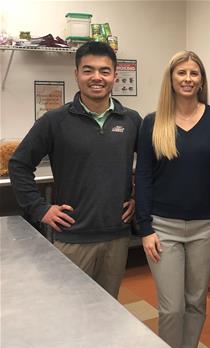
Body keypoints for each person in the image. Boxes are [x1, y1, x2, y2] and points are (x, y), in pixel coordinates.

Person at [8, 41, 141, 299]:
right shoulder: (54, 121)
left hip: (117, 236)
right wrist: (40, 208)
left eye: (104, 71)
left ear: (115, 75)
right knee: (69, 312)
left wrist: (137, 198)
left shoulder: (131, 120)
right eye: (88, 70)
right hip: (73, 237)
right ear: (76, 74)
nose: (96, 78)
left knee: (108, 310)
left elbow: (147, 168)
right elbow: (19, 164)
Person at [134, 50, 210, 348]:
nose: (188, 79)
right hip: (163, 228)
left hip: (206, 226)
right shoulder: (153, 121)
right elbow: (144, 177)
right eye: (181, 73)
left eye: (194, 73)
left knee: (195, 302)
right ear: (171, 79)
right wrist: (145, 229)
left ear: (201, 79)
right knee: (171, 307)